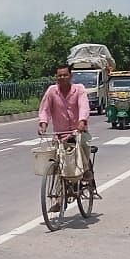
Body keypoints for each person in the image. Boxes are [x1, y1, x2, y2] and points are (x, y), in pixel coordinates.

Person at [38, 64, 92, 211]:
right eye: (59, 76)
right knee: (58, 164)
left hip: (77, 132)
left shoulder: (79, 89)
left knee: (84, 146)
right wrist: (43, 124)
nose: (62, 78)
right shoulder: (52, 91)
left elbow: (84, 106)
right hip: (60, 134)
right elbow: (45, 109)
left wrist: (82, 121)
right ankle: (59, 199)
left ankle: (86, 170)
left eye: (65, 75)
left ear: (70, 76)